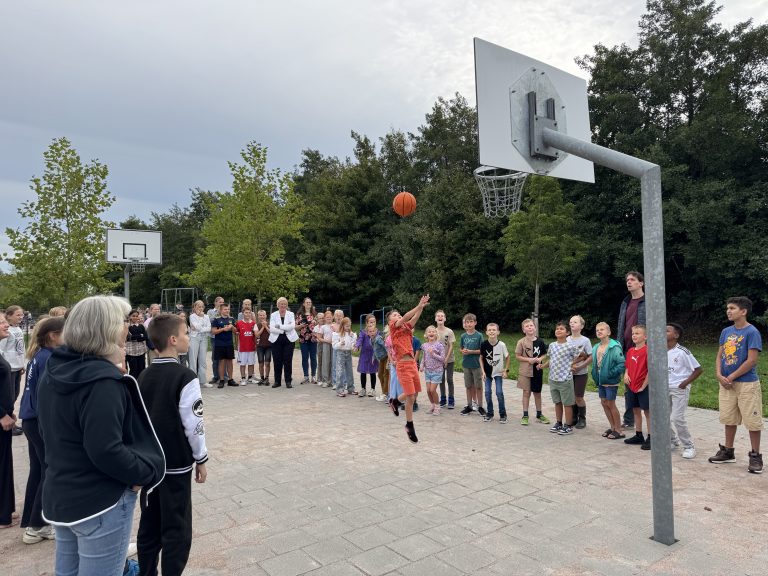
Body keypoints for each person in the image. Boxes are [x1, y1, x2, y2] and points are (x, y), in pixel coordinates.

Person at [37, 295, 165, 576]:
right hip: (100, 502)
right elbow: (106, 449)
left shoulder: (55, 370)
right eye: (121, 322)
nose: (126, 328)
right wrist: (142, 475)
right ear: (104, 328)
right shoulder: (101, 381)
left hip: (63, 494)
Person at [137, 314, 208, 576]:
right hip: (176, 464)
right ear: (173, 340)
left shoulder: (143, 375)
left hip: (150, 465)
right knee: (177, 528)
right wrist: (201, 458)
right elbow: (194, 424)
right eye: (186, 333)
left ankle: (146, 571)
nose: (189, 337)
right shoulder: (185, 376)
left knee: (150, 524)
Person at [19, 316, 64, 544]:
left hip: (31, 420)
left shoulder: (40, 355)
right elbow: (46, 396)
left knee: (39, 471)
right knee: (50, 471)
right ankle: (37, 525)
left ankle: (31, 521)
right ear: (53, 336)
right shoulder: (49, 358)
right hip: (39, 421)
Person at [709, 297, 763, 473]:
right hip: (726, 384)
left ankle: (755, 456)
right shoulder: (726, 331)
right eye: (727, 308)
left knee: (752, 421)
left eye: (732, 308)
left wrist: (731, 376)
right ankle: (728, 451)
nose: (728, 311)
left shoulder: (752, 332)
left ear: (743, 311)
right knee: (728, 418)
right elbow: (720, 355)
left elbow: (752, 360)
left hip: (746, 384)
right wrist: (719, 375)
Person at [387, 295, 430, 443]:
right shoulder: (394, 328)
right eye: (394, 315)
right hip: (402, 365)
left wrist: (421, 307)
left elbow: (413, 319)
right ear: (390, 321)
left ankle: (395, 402)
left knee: (414, 394)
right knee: (410, 394)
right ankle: (409, 425)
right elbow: (406, 316)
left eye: (397, 314)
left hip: (412, 364)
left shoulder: (406, 327)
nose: (397, 315)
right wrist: (418, 304)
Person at [667, 322, 702, 459]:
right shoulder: (660, 350)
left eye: (667, 331)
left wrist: (685, 383)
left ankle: (688, 446)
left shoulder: (683, 352)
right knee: (662, 417)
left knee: (677, 418)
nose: (663, 333)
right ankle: (672, 440)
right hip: (664, 388)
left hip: (679, 389)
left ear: (676, 335)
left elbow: (698, 369)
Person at [542, 321, 584, 435]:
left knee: (567, 403)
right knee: (557, 402)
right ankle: (559, 423)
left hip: (565, 379)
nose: (558, 330)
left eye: (561, 329)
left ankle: (568, 425)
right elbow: (551, 360)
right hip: (553, 379)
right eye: (557, 328)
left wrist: (572, 364)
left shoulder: (571, 346)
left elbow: (582, 356)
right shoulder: (552, 345)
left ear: (567, 333)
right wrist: (543, 366)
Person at [617, 271, 645, 429]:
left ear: (641, 283)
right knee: (628, 384)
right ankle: (629, 420)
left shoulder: (647, 301)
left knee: (644, 385)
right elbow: (622, 324)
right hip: (627, 348)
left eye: (633, 280)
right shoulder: (625, 302)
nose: (629, 282)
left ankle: (650, 417)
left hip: (643, 349)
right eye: (627, 280)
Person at [592, 322, 626, 440]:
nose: (599, 331)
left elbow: (621, 364)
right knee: (604, 402)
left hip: (611, 381)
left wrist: (610, 374)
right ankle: (612, 427)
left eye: (602, 329)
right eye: (597, 330)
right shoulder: (596, 347)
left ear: (609, 332)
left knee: (611, 403)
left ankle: (619, 429)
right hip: (601, 380)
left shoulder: (614, 347)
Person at [515, 319, 550, 426]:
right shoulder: (521, 342)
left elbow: (544, 354)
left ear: (535, 328)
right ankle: (525, 415)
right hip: (525, 371)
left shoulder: (540, 341)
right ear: (523, 329)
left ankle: (539, 414)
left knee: (537, 393)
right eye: (527, 326)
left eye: (531, 326)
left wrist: (540, 359)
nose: (530, 327)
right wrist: (528, 360)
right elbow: (517, 356)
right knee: (526, 392)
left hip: (538, 370)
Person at [0, 313, 18, 529]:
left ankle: (5, 508)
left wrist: (8, 411)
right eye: (2, 322)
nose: (7, 325)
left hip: (5, 416)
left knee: (5, 463)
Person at [623, 325, 652, 449]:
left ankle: (651, 437)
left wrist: (644, 386)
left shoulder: (647, 351)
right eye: (633, 333)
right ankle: (638, 435)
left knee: (647, 411)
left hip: (643, 387)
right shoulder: (630, 351)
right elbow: (628, 366)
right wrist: (625, 375)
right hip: (632, 386)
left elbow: (650, 370)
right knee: (635, 410)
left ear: (645, 336)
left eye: (637, 333)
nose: (634, 335)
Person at [0, 305, 25, 436]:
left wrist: (21, 364)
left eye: (22, 315)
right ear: (9, 315)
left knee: (14, 395)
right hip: (8, 368)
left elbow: (20, 349)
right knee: (8, 396)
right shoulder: (6, 332)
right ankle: (8, 420)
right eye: (17, 315)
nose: (21, 317)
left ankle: (11, 417)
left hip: (17, 367)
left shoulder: (18, 329)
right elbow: (2, 349)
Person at [480, 323, 510, 423]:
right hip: (487, 373)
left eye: (494, 330)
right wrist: (483, 371)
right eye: (490, 330)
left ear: (498, 332)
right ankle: (490, 413)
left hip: (498, 373)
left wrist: (506, 370)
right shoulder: (484, 344)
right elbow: (481, 358)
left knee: (499, 392)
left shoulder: (502, 345)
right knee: (487, 392)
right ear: (487, 332)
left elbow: (508, 357)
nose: (492, 331)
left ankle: (503, 414)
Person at [567, 315, 592, 429]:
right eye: (571, 322)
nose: (572, 324)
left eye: (575, 322)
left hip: (581, 373)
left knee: (579, 397)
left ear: (581, 326)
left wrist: (580, 366)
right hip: (568, 373)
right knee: (571, 397)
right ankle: (573, 417)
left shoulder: (585, 340)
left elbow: (590, 357)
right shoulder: (567, 339)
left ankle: (582, 419)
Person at [269, 297, 298, 389]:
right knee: (277, 360)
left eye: (285, 304)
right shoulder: (273, 315)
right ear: (278, 305)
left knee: (287, 361)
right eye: (281, 304)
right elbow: (272, 328)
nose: (283, 305)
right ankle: (277, 381)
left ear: (287, 305)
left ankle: (288, 381)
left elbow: (292, 326)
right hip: (276, 339)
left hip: (289, 339)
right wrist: (283, 329)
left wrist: (280, 326)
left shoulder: (291, 314)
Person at [459, 313, 485, 416]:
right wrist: (463, 351)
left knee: (478, 386)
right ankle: (469, 406)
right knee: (468, 386)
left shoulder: (479, 335)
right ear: (465, 323)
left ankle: (480, 406)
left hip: (477, 365)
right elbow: (461, 348)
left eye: (471, 322)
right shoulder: (463, 336)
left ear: (475, 323)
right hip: (466, 365)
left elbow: (482, 350)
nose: (469, 324)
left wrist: (470, 351)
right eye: (467, 322)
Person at [420, 325, 445, 415]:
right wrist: (422, 365)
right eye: (429, 332)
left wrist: (433, 353)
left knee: (432, 390)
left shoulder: (439, 345)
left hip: (437, 371)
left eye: (433, 331)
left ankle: (437, 407)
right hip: (428, 371)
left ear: (436, 334)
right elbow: (424, 356)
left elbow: (442, 358)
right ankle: (432, 405)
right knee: (428, 390)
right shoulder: (425, 345)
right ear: (426, 334)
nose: (431, 333)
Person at [211, 304, 237, 388]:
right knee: (222, 362)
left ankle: (230, 379)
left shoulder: (232, 319)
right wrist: (223, 329)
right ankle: (221, 380)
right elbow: (213, 331)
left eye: (228, 309)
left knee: (230, 362)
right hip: (219, 344)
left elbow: (235, 331)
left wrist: (232, 327)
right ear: (221, 310)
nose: (227, 311)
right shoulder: (216, 319)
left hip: (229, 343)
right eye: (225, 309)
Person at [435, 310, 456, 409]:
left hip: (449, 359)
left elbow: (451, 346)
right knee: (441, 379)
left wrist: (446, 359)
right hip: (438, 360)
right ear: (435, 319)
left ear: (445, 318)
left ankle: (451, 400)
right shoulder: (434, 331)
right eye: (438, 316)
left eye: (442, 316)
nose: (440, 317)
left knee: (449, 379)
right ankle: (443, 399)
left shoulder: (449, 331)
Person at [188, 300, 212, 388]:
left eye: (202, 307)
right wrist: (201, 325)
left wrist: (200, 327)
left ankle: (203, 381)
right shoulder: (192, 316)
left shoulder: (206, 316)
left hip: (204, 338)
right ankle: (193, 381)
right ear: (195, 308)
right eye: (198, 307)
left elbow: (209, 328)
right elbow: (196, 327)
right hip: (194, 338)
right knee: (193, 360)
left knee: (202, 360)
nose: (200, 308)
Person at [355, 314, 379, 398]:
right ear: (366, 323)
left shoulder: (377, 332)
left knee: (373, 372)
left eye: (374, 321)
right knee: (363, 372)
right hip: (364, 354)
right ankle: (363, 389)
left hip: (373, 355)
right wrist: (357, 346)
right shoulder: (363, 332)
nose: (372, 323)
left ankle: (372, 389)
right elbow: (360, 340)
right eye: (370, 322)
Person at [296, 297, 318, 384]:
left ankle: (313, 376)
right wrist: (301, 325)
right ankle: (306, 376)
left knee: (313, 358)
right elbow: (295, 327)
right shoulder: (299, 315)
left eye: (310, 302)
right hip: (303, 339)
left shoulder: (315, 314)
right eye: (307, 302)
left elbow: (319, 326)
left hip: (313, 338)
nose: (309, 304)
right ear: (304, 304)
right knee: (305, 358)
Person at [333, 317, 356, 397]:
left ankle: (351, 388)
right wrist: (340, 343)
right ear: (342, 326)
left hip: (348, 353)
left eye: (349, 326)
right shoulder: (337, 334)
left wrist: (354, 346)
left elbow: (353, 343)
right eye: (346, 326)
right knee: (340, 371)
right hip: (340, 353)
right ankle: (339, 389)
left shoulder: (351, 334)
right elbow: (334, 346)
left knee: (349, 371)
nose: (348, 328)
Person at [126, 309, 149, 379]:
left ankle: (141, 383)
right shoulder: (127, 326)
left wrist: (136, 337)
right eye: (133, 316)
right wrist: (140, 336)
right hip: (131, 352)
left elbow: (145, 337)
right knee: (133, 369)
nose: (135, 318)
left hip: (141, 350)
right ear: (129, 317)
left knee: (142, 368)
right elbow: (128, 338)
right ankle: (133, 384)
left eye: (136, 316)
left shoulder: (141, 326)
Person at [235, 309, 257, 385]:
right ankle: (243, 378)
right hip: (242, 348)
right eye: (246, 313)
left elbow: (256, 335)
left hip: (251, 347)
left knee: (251, 363)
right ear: (243, 314)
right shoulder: (239, 323)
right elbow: (236, 334)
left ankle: (250, 378)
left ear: (251, 314)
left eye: (249, 313)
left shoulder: (254, 323)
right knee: (243, 364)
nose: (247, 314)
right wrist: (236, 345)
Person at [206, 297, 225, 384]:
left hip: (223, 336)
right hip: (214, 337)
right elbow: (210, 321)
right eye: (220, 302)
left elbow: (225, 321)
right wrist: (218, 313)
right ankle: (215, 376)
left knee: (223, 357)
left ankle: (224, 376)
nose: (222, 304)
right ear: (215, 302)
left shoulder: (224, 310)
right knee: (215, 358)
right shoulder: (210, 312)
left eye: (223, 302)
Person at [254, 310, 272, 386]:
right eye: (260, 315)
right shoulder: (256, 325)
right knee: (261, 363)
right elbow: (257, 335)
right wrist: (263, 327)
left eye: (263, 315)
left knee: (267, 363)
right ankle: (262, 378)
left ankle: (267, 378)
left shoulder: (270, 324)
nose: (262, 317)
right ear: (258, 316)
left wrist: (266, 326)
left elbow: (271, 333)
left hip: (269, 346)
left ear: (266, 316)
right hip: (260, 346)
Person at [373, 323, 389, 401]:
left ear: (376, 331)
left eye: (373, 331)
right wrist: (374, 357)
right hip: (381, 359)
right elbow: (375, 349)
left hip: (386, 357)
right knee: (380, 374)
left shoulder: (378, 338)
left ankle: (386, 393)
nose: (371, 333)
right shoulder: (371, 339)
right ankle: (384, 392)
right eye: (370, 331)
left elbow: (385, 346)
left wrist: (390, 356)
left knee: (386, 375)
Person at [313, 313, 325, 386]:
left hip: (328, 344)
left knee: (327, 362)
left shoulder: (327, 326)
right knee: (320, 362)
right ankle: (319, 378)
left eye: (323, 318)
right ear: (317, 319)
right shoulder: (316, 328)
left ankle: (326, 378)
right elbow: (316, 338)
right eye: (320, 318)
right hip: (320, 345)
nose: (321, 319)